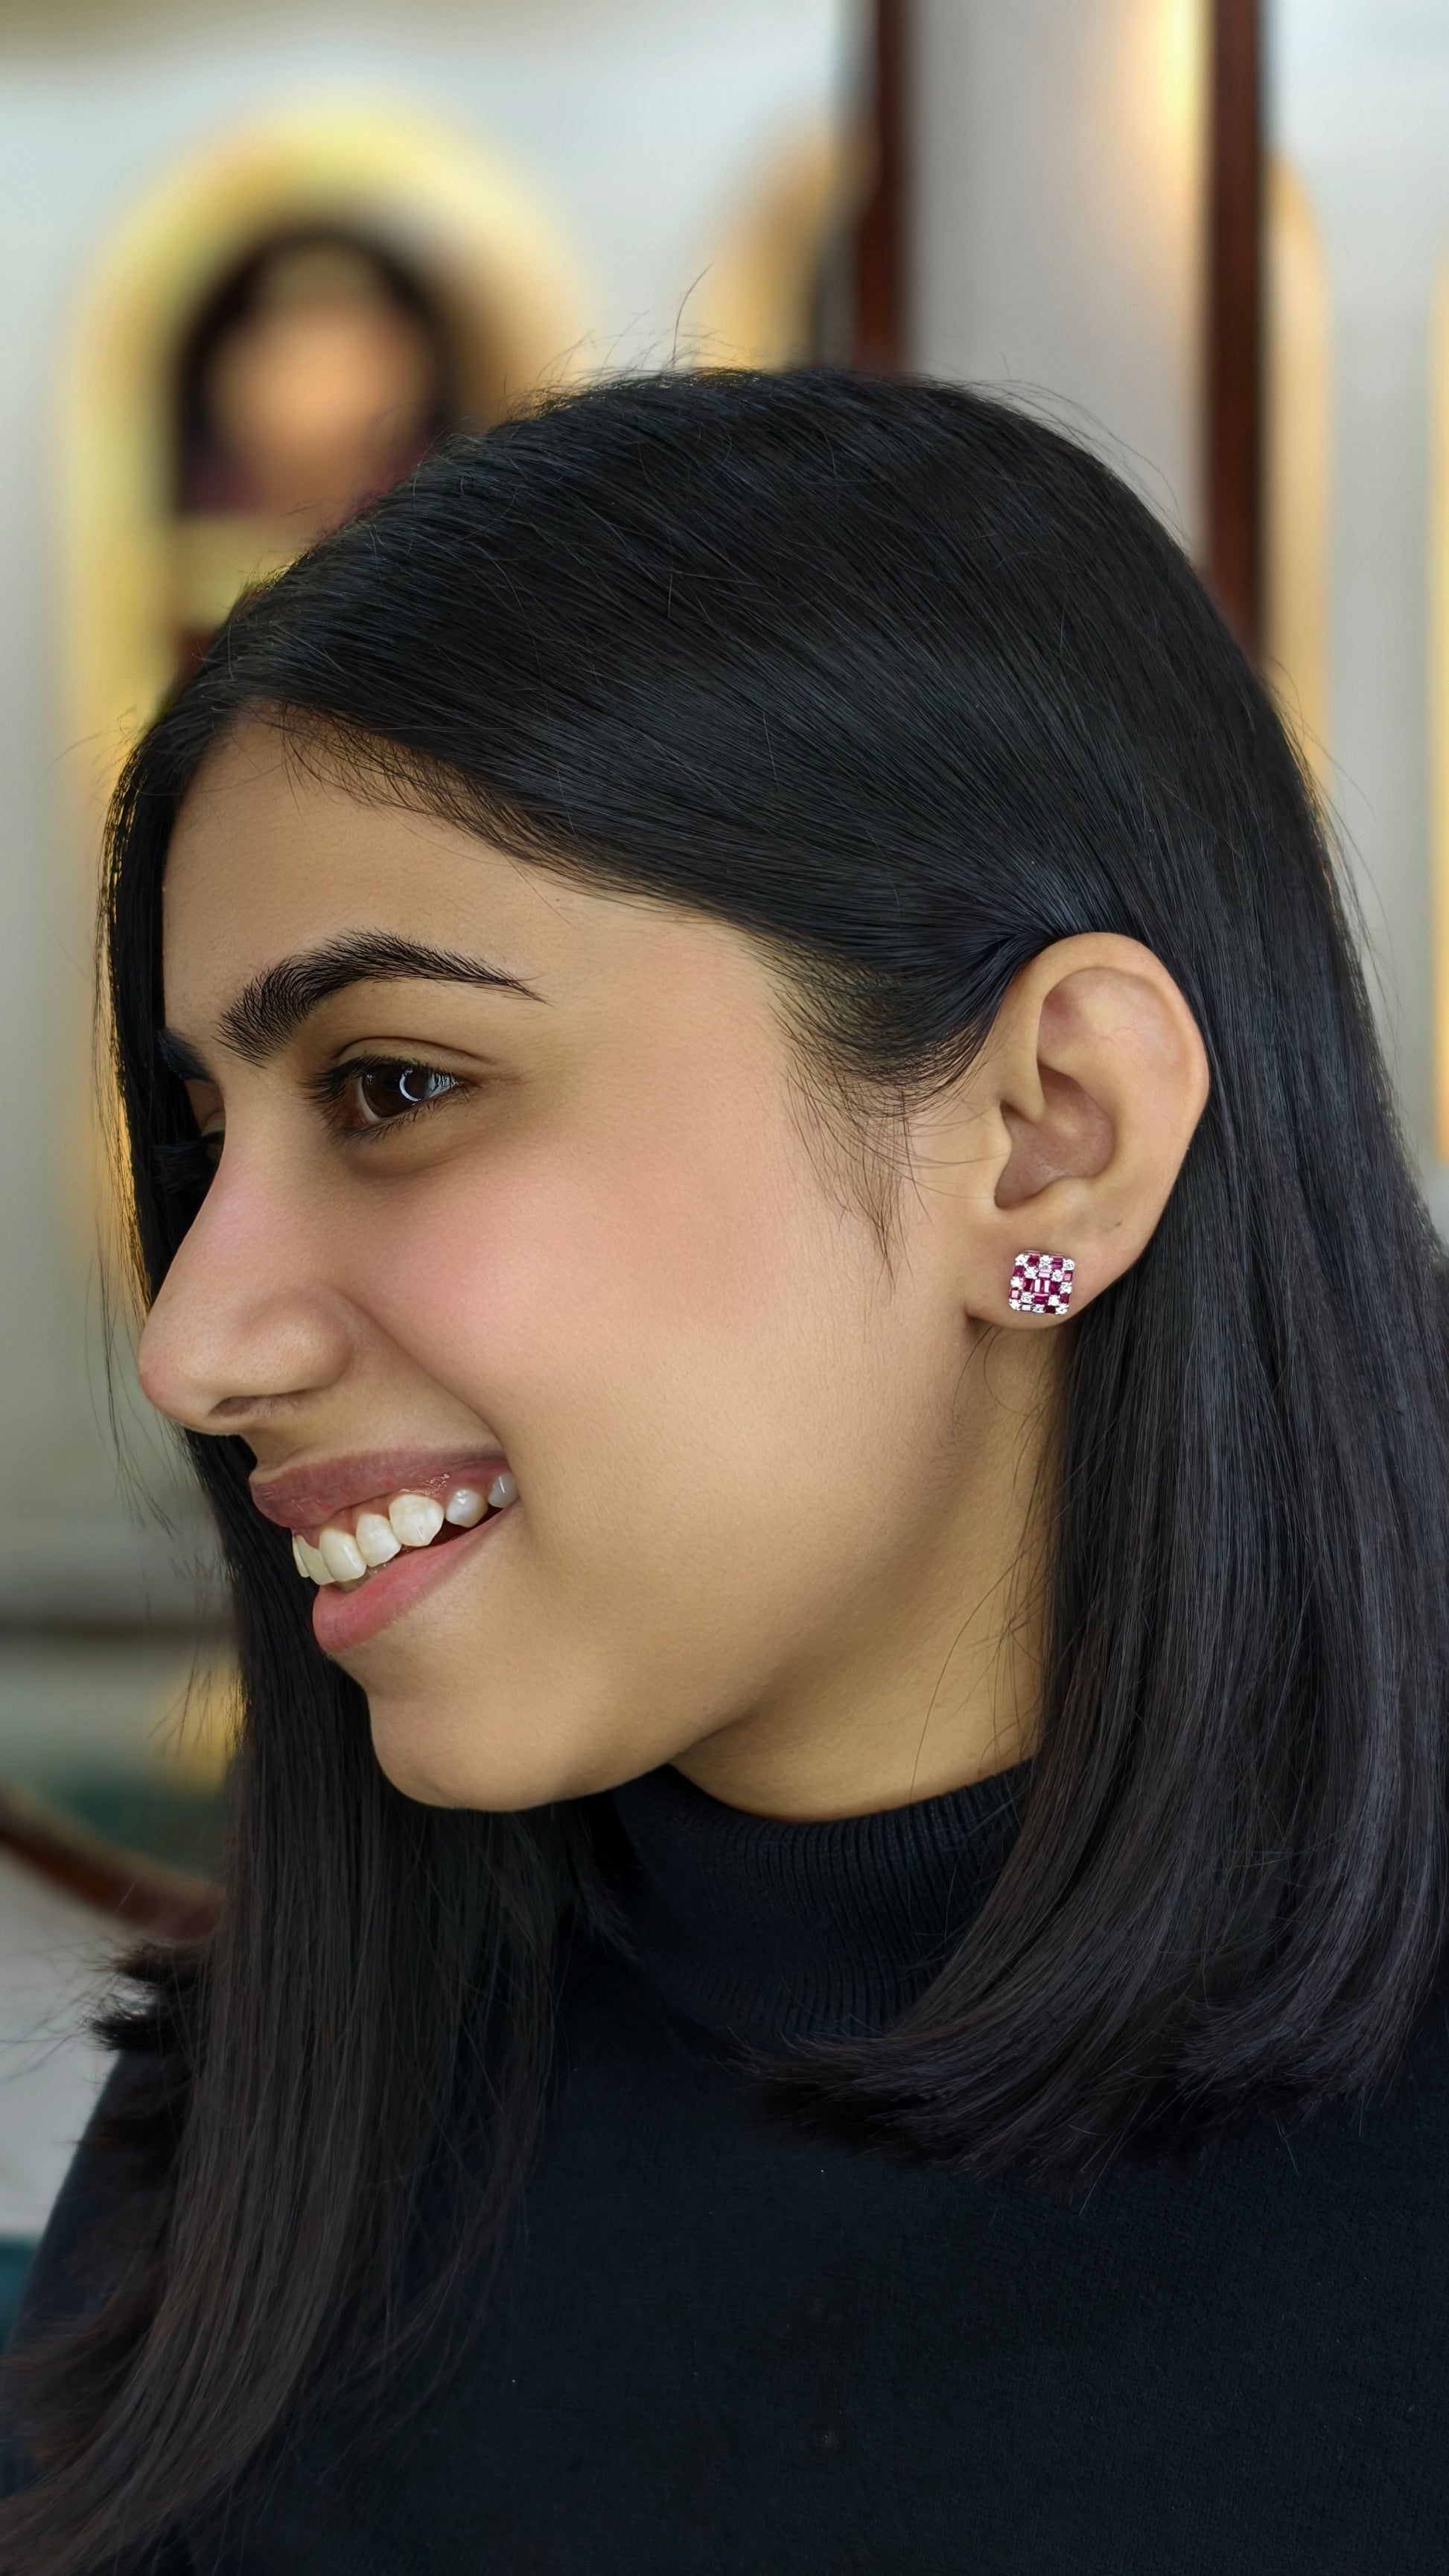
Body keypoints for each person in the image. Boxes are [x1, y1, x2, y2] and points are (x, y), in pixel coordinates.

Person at [3, 370, 1445, 2576]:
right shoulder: (250, 2170)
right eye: (207, 1136)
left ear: (1049, 1134)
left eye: (394, 1085)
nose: (195, 1346)